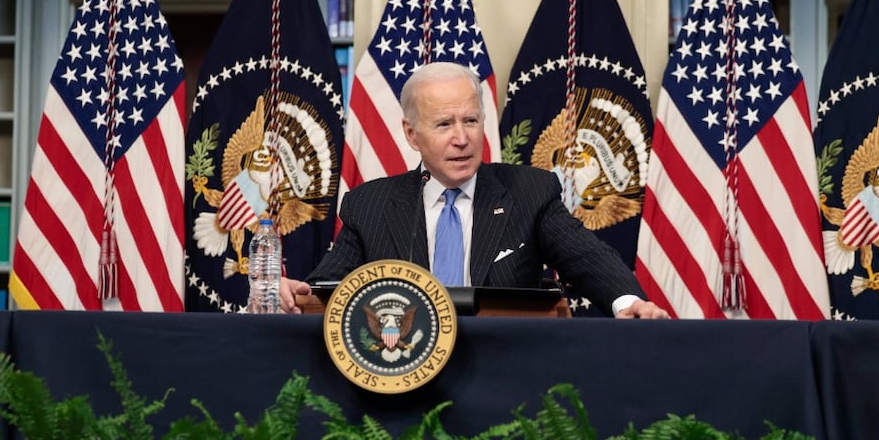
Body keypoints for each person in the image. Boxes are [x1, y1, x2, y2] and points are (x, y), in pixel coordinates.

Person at [279, 62, 668, 319]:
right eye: (444, 124)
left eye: (470, 120)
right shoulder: (372, 204)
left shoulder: (529, 192)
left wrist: (628, 302)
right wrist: (295, 293)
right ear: (412, 135)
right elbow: (326, 287)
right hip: (404, 372)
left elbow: (586, 257)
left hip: (505, 370)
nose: (462, 139)